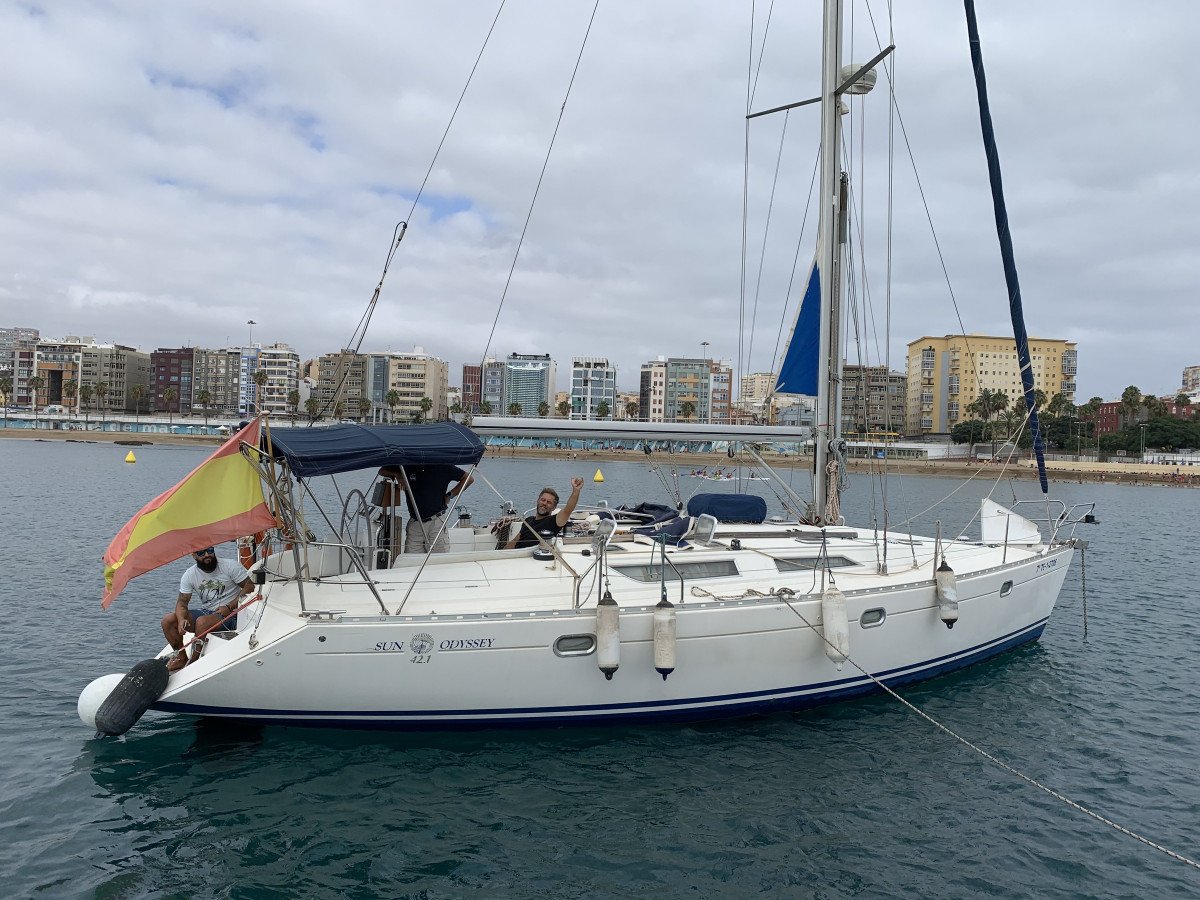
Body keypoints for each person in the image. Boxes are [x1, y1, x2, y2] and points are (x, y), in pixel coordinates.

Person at [160, 546, 254, 672]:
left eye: (210, 551)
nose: (206, 555)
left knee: (202, 622)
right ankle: (181, 658)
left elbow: (249, 586)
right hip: (210, 612)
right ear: (194, 555)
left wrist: (230, 606)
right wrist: (181, 619)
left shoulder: (230, 566)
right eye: (201, 553)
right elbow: (182, 603)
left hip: (233, 613)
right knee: (168, 620)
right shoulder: (190, 575)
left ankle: (194, 662)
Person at [380, 464, 473, 554]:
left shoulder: (444, 466)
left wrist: (450, 495)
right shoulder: (406, 465)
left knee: (439, 559)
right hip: (415, 523)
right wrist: (398, 475)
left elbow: (468, 479)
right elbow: (382, 471)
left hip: (436, 522)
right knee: (411, 560)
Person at [505, 477, 585, 549]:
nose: (544, 503)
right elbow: (515, 541)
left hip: (530, 556)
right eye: (543, 500)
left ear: (554, 507)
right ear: (538, 501)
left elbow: (568, 510)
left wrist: (576, 491)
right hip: (515, 555)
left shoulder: (553, 522)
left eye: (549, 502)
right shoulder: (528, 520)